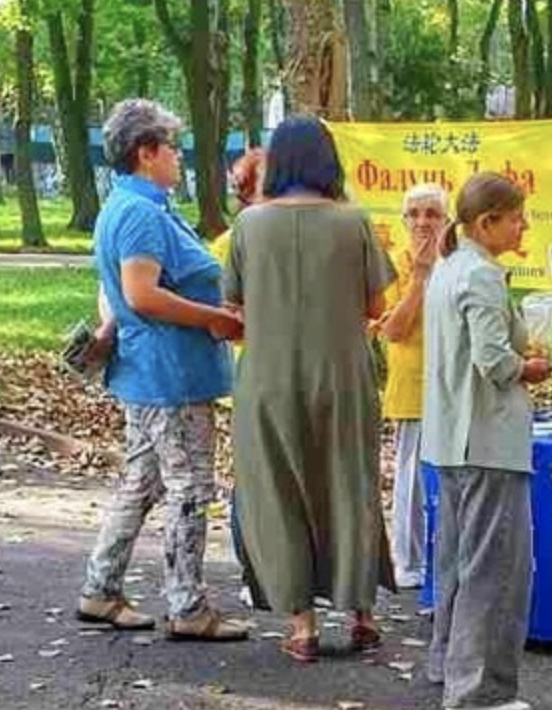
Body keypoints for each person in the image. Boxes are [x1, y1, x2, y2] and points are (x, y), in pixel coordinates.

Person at [223, 116, 396, 663]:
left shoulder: (250, 226)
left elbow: (236, 305)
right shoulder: (355, 222)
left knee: (279, 489)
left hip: (268, 374)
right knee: (350, 483)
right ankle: (362, 613)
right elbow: (375, 306)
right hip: (343, 371)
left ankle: (302, 624)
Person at [77, 98, 248, 641]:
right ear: (146, 153)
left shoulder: (134, 206)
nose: (179, 156)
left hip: (151, 372)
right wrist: (216, 318)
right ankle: (187, 605)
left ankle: (101, 588)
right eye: (173, 147)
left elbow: (121, 293)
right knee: (190, 489)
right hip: (170, 377)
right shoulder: (140, 214)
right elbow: (141, 294)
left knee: (142, 484)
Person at [422, 173, 551, 710]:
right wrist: (532, 368)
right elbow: (493, 361)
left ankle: (446, 665)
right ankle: (480, 692)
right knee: (495, 571)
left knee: (456, 564)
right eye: (516, 216)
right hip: (488, 440)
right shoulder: (482, 275)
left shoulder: (448, 269)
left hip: (450, 440)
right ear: (486, 222)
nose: (523, 225)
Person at [379, 184, 448, 590]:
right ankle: (408, 561)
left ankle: (441, 559)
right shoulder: (394, 264)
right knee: (413, 479)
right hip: (413, 384)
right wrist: (420, 279)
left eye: (432, 214)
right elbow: (393, 329)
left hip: (453, 387)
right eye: (415, 214)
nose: (423, 222)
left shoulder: (459, 261)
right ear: (404, 221)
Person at [210, 147, 266, 609]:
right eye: (268, 180)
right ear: (246, 191)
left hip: (285, 377)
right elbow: (226, 313)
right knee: (250, 480)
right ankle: (252, 572)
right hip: (249, 375)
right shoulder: (231, 243)